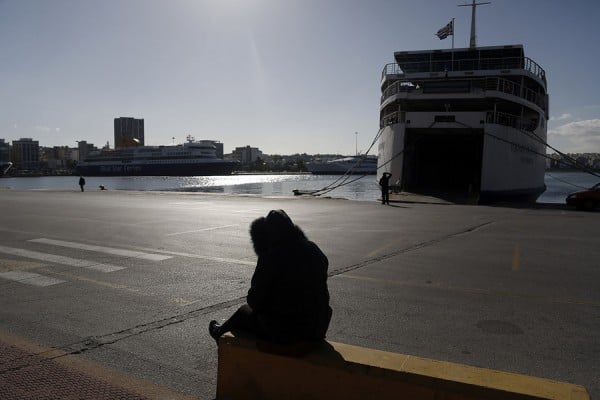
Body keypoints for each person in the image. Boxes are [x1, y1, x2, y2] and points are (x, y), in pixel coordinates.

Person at [208, 209, 332, 349]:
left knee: (243, 312)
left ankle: (219, 332)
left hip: (292, 332)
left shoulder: (271, 256)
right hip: (319, 326)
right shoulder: (314, 249)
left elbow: (254, 301)